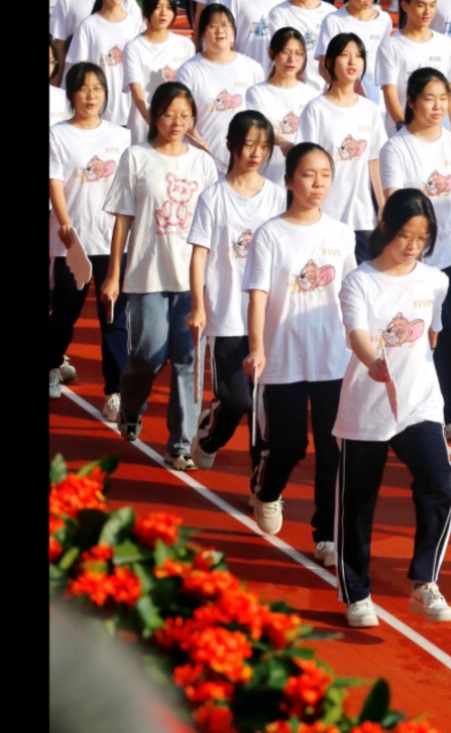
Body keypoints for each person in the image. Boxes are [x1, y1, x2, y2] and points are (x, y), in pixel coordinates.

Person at [335, 187, 451, 628]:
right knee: (358, 502)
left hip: (418, 404)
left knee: (441, 484)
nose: (412, 246)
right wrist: (374, 363)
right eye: (406, 234)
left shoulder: (435, 280)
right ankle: (357, 594)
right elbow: (357, 334)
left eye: (422, 238)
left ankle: (424, 581)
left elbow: (433, 334)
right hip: (367, 404)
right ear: (386, 227)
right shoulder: (359, 280)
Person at [243, 143, 357, 566]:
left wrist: (359, 347)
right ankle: (268, 490)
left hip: (332, 358)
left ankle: (325, 533)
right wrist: (256, 347)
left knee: (333, 448)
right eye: (309, 174)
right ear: (289, 180)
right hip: (283, 357)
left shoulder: (341, 234)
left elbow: (351, 295)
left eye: (325, 174)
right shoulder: (270, 233)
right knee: (289, 444)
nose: (318, 183)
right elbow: (258, 296)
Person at [101, 81, 218, 461]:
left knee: (187, 359)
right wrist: (114, 274)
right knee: (149, 351)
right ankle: (132, 406)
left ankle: (181, 444)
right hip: (146, 274)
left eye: (185, 116)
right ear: (154, 114)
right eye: (169, 114)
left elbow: (215, 222)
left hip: (192, 280)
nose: (177, 122)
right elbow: (123, 219)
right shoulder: (136, 157)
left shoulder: (202, 163)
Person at [187, 111, 287, 472]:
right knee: (236, 400)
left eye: (264, 147)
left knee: (263, 406)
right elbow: (199, 254)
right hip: (227, 313)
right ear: (231, 146)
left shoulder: (277, 197)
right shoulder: (213, 197)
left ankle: (261, 488)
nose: (256, 154)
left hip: (268, 316)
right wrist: (198, 305)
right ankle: (209, 435)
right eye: (249, 145)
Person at [378, 70, 451, 437]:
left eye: (443, 98)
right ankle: (400, 405)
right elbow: (394, 201)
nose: (438, 106)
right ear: (412, 102)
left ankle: (449, 410)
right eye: (429, 98)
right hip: (411, 260)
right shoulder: (396, 148)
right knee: (409, 335)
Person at [47, 63, 131, 409]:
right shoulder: (58, 134)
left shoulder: (120, 135)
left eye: (98, 88)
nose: (91, 95)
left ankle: (115, 391)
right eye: (83, 88)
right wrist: (65, 224)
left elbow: (127, 188)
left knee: (114, 318)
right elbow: (54, 181)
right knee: (65, 312)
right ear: (72, 95)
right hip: (73, 244)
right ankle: (52, 364)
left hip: (112, 242)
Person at [297, 33, 386, 262]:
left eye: (358, 56)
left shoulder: (370, 110)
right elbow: (306, 166)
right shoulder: (316, 109)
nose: (352, 62)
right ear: (329, 62)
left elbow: (374, 160)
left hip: (363, 218)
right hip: (326, 215)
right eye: (345, 55)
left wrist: (383, 206)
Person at [177, 4, 267, 173]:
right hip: (202, 162)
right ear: (203, 32)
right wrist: (197, 140)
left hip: (244, 161)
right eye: (213, 26)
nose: (220, 31)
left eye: (225, 25)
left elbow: (261, 117)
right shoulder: (189, 70)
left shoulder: (252, 68)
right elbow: (182, 114)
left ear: (233, 31)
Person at [378, 0, 451, 134]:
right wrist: (404, 127)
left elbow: (450, 91)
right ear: (405, 5)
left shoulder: (446, 45)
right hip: (403, 135)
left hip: (440, 135)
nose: (427, 12)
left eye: (432, 5)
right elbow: (390, 93)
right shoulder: (390, 46)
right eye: (421, 5)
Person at [65, 0, 142, 128]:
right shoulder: (88, 25)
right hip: (100, 110)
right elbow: (78, 69)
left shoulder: (135, 24)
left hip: (132, 109)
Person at [244, 29, 317, 184]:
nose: (292, 59)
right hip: (266, 180)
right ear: (271, 53)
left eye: (298, 54)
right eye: (285, 52)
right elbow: (259, 128)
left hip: (302, 184)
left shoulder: (313, 96)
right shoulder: (257, 93)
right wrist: (283, 142)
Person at [314, 0, 388, 100]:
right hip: (342, 97)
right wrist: (345, 91)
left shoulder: (384, 20)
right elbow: (324, 65)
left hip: (376, 95)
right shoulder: (333, 21)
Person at [266, 0, 336, 85]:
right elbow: (282, 51)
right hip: (293, 87)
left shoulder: (331, 13)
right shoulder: (279, 13)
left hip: (326, 87)